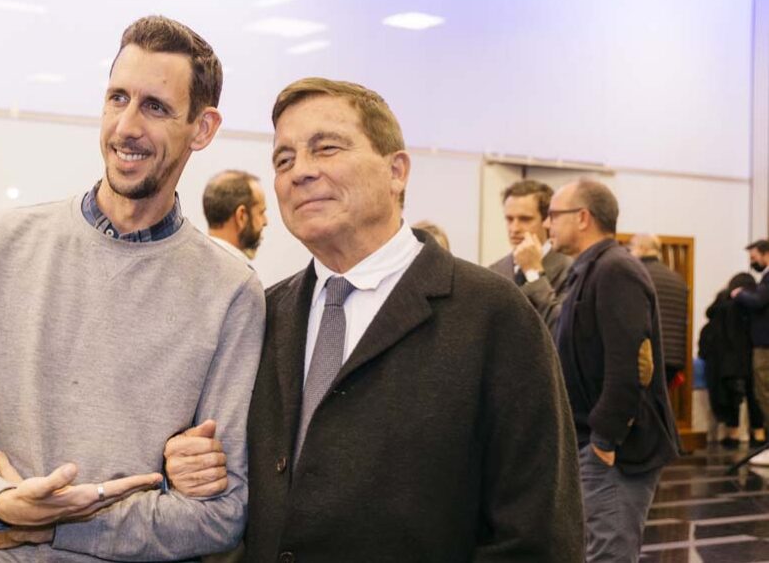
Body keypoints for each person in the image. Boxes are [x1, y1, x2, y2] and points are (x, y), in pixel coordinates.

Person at [0, 15, 265, 561]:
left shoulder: (231, 291)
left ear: (203, 128)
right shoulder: (0, 244)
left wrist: (57, 526)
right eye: (117, 98)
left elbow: (222, 514)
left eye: (155, 107)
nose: (126, 126)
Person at [168, 78, 583, 560]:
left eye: (326, 148)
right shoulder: (264, 315)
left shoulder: (494, 317)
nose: (300, 172)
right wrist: (188, 465)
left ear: (396, 171)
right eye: (284, 160)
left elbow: (538, 534)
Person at [546, 178, 679, 562]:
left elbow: (630, 365)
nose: (547, 224)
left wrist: (604, 440)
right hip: (592, 443)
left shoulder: (616, 269)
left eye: (554, 215)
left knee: (609, 555)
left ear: (582, 217)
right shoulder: (590, 268)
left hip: (614, 451)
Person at [488, 179, 570, 327]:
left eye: (525, 219)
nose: (514, 228)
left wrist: (533, 272)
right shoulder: (495, 271)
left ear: (547, 220)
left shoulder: (570, 269)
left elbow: (560, 326)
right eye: (509, 219)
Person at [700, 273, 763, 448]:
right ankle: (759, 434)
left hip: (726, 359)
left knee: (732, 397)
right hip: (750, 355)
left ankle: (732, 434)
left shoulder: (720, 305)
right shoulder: (751, 305)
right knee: (754, 396)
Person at [629, 234, 689, 387]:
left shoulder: (637, 275)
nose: (630, 253)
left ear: (641, 248)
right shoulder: (677, 279)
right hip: (674, 356)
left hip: (648, 354)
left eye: (631, 248)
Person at [732, 240, 769, 463]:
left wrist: (739, 294)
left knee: (764, 392)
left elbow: (758, 301)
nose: (752, 261)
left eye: (754, 257)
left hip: (765, 346)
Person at [202, 169, 268, 263]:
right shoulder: (238, 270)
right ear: (241, 216)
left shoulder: (194, 263)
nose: (265, 221)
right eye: (261, 212)